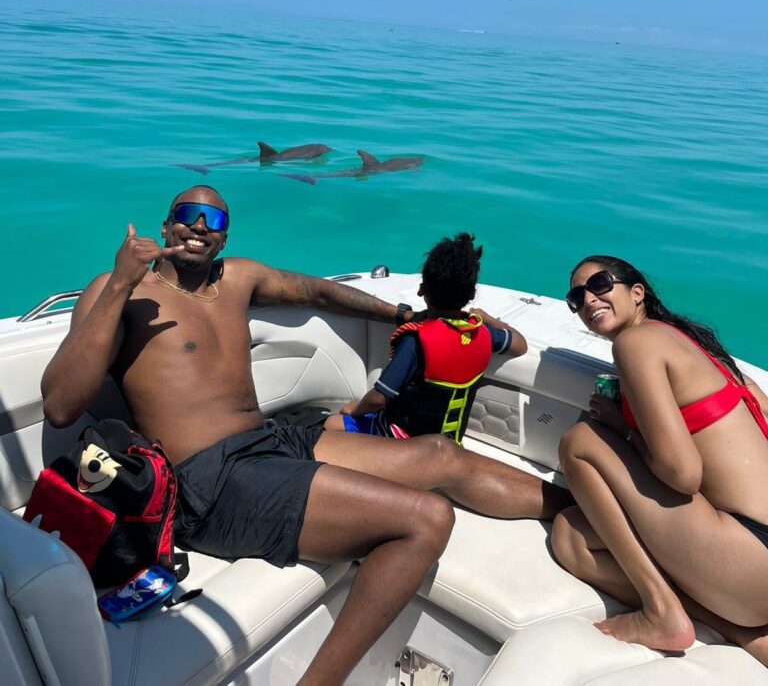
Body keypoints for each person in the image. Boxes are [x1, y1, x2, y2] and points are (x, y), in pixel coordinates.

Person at [41, 185, 572, 686]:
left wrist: (405, 314)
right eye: (187, 214)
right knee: (425, 519)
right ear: (166, 224)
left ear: (225, 235)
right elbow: (62, 405)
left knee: (439, 453)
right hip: (207, 480)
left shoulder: (239, 278)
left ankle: (583, 509)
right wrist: (118, 282)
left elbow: (313, 290)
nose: (199, 225)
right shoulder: (126, 292)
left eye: (215, 219)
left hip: (270, 441)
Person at [551, 255, 768, 666]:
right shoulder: (699, 346)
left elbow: (682, 474)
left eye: (599, 284)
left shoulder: (636, 343)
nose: (587, 300)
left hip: (751, 557)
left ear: (637, 293)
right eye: (575, 297)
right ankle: (741, 631)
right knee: (571, 538)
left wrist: (622, 426)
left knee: (581, 441)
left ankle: (660, 611)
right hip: (752, 559)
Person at [324, 232, 527, 442]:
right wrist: (486, 318)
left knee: (330, 423)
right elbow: (520, 344)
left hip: (401, 441)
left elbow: (378, 398)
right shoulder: (483, 334)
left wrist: (354, 409)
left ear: (422, 290)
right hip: (447, 444)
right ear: (471, 294)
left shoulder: (416, 341)